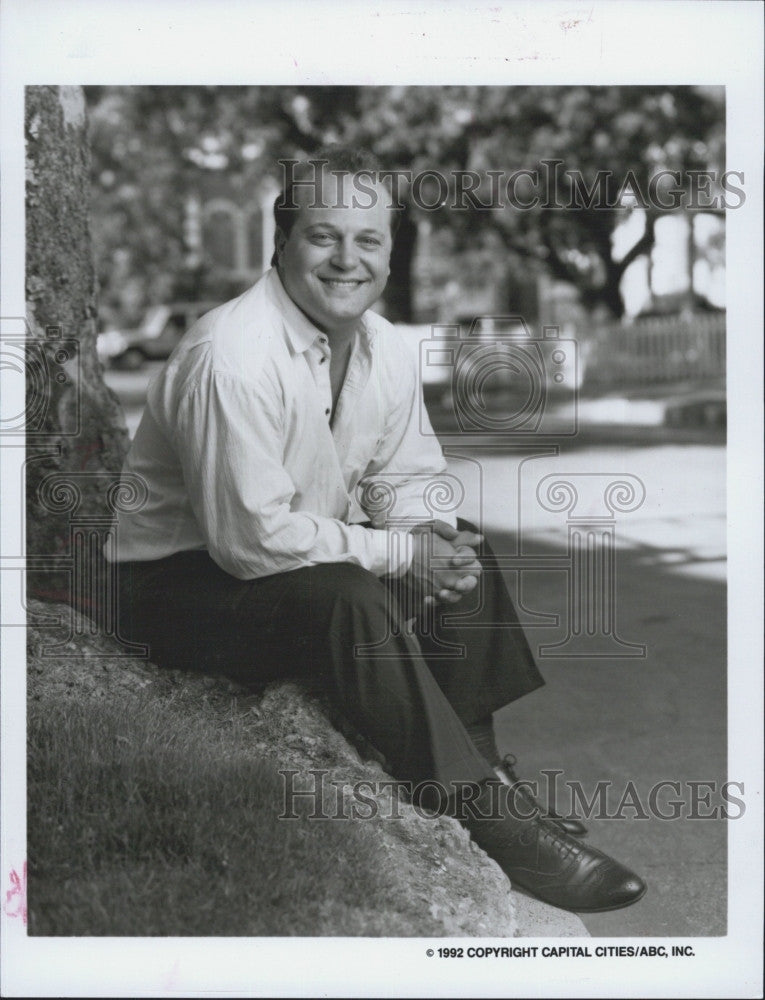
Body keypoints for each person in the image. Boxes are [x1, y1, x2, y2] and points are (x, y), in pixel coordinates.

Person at [109, 145, 646, 914]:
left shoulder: (383, 346)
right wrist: (401, 555)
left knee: (457, 540)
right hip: (173, 593)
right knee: (348, 596)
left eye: (368, 240)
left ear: (388, 252)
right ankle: (486, 820)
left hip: (280, 570)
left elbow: (403, 479)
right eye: (324, 236)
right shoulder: (231, 357)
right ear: (283, 242)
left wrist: (428, 540)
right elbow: (248, 540)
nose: (346, 259)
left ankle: (484, 767)